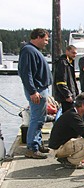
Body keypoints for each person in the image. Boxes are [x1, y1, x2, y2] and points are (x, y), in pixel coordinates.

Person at [18, 28, 56, 159]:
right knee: (37, 119)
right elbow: (26, 73)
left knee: (40, 118)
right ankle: (32, 148)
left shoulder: (33, 50)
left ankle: (37, 143)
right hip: (37, 90)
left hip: (40, 89)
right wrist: (32, 91)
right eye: (45, 40)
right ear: (38, 38)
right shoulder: (28, 50)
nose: (46, 42)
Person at [53, 44, 79, 109]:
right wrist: (67, 95)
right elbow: (60, 81)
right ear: (67, 51)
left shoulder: (69, 63)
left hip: (71, 95)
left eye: (76, 53)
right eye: (73, 53)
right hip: (66, 98)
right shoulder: (63, 63)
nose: (74, 55)